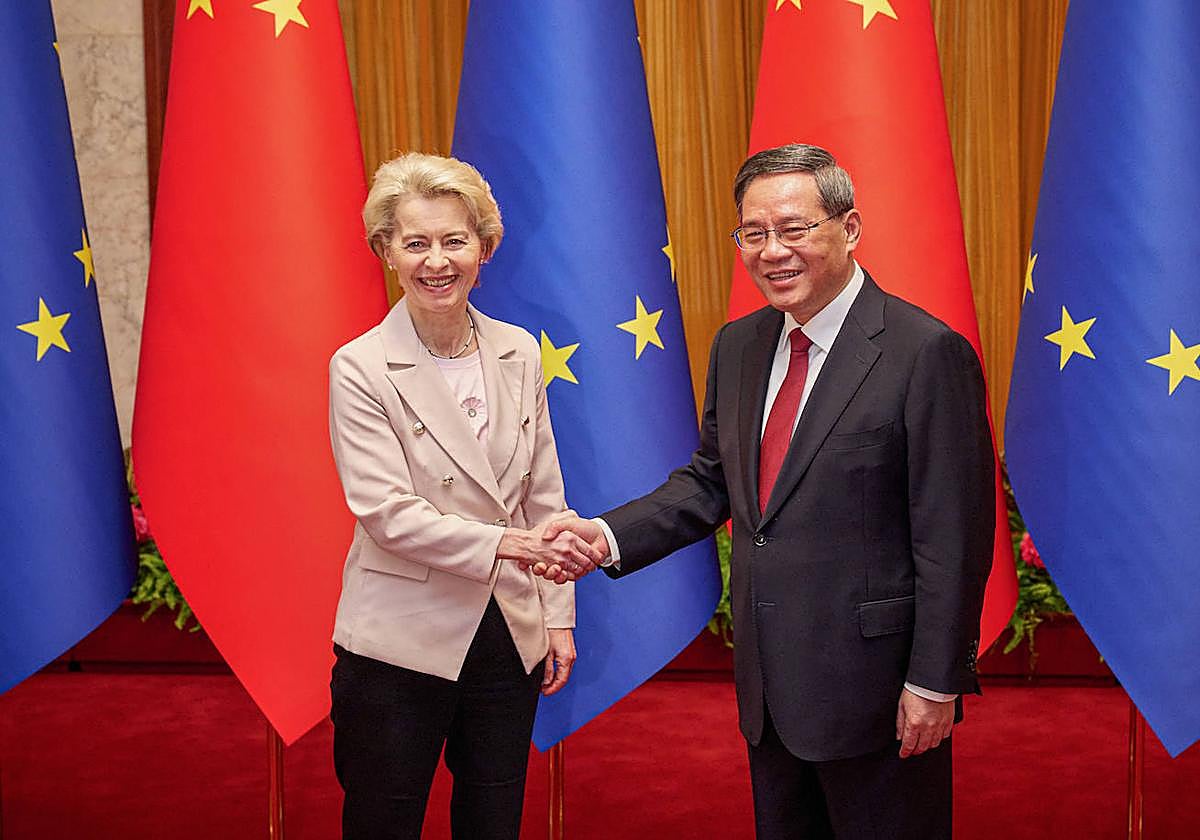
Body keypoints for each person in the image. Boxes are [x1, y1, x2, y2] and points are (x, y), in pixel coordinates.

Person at [537, 144, 994, 839]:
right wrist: (603, 536)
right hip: (770, 689)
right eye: (753, 233)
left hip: (880, 694)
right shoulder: (739, 346)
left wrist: (935, 682)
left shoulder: (925, 352)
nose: (772, 251)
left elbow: (953, 537)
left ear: (849, 228)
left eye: (794, 228)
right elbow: (712, 481)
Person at [326, 151, 600, 840]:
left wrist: (557, 615)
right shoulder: (359, 366)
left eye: (454, 240)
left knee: (493, 819)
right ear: (387, 251)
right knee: (383, 822)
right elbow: (388, 515)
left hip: (508, 632)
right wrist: (512, 545)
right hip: (398, 642)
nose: (437, 261)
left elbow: (544, 492)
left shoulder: (519, 351)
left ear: (484, 247)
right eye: (415, 243)